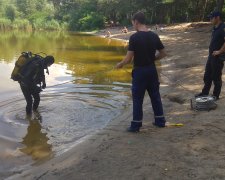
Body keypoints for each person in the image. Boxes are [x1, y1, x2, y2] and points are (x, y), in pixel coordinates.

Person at [115, 12, 167, 132]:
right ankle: (160, 121)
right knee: (155, 96)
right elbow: (163, 53)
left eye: (132, 23)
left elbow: (128, 59)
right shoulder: (154, 36)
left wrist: (120, 64)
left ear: (136, 22)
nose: (133, 25)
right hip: (152, 70)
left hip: (140, 72)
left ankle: (136, 125)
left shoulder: (134, 37)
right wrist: (153, 59)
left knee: (138, 99)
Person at [196, 11, 225, 100]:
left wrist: (220, 51)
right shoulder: (215, 28)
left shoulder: (223, 27)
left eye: (211, 18)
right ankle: (205, 93)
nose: (210, 20)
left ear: (217, 18)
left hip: (217, 57)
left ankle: (216, 95)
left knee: (216, 76)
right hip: (211, 56)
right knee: (207, 75)